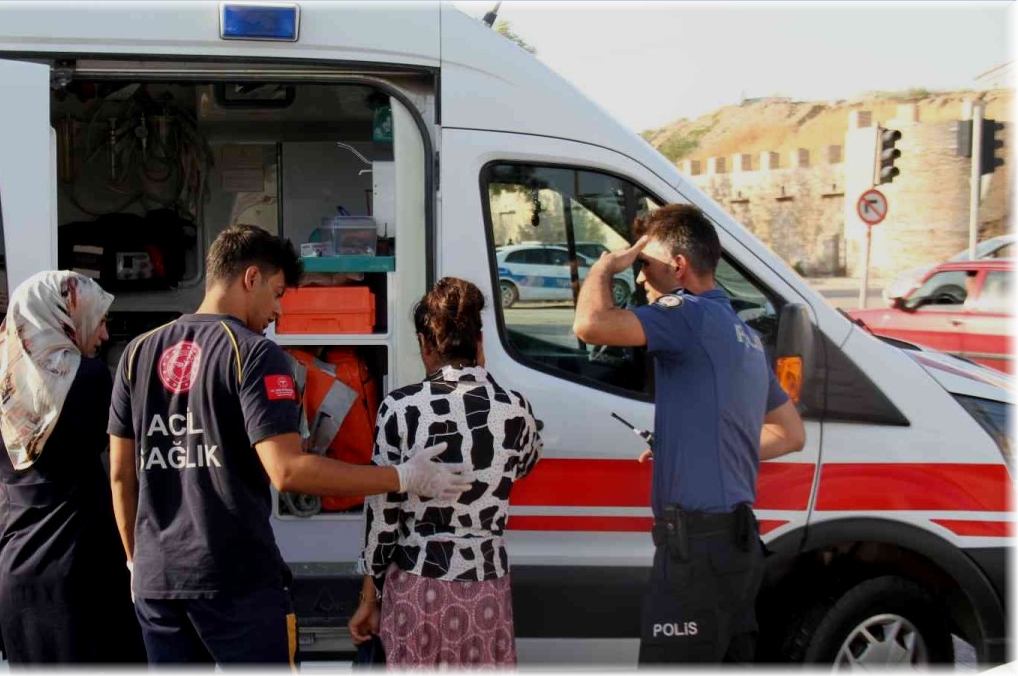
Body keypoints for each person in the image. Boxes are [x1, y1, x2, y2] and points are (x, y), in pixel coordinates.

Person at [108, 225, 472, 666]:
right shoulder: (253, 354)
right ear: (250, 279)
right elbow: (288, 472)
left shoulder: (138, 352)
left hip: (156, 583)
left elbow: (120, 474)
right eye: (278, 294)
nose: (278, 311)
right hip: (233, 580)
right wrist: (403, 476)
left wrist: (134, 560)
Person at [571, 204, 806, 665]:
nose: (639, 278)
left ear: (677, 267)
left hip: (696, 554)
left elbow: (590, 325)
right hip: (737, 548)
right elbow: (789, 433)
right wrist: (696, 446)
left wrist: (604, 266)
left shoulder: (687, 315)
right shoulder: (743, 334)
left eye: (645, 265)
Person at [0, 270, 145, 665]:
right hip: (86, 561)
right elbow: (124, 459)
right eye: (100, 320)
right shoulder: (90, 378)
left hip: (19, 566)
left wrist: (15, 470)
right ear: (65, 315)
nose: (103, 335)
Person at [348, 277, 543, 668]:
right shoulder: (515, 410)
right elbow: (524, 465)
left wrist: (370, 597)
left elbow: (383, 517)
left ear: (424, 343)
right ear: (480, 339)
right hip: (487, 587)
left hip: (419, 585)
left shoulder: (400, 409)